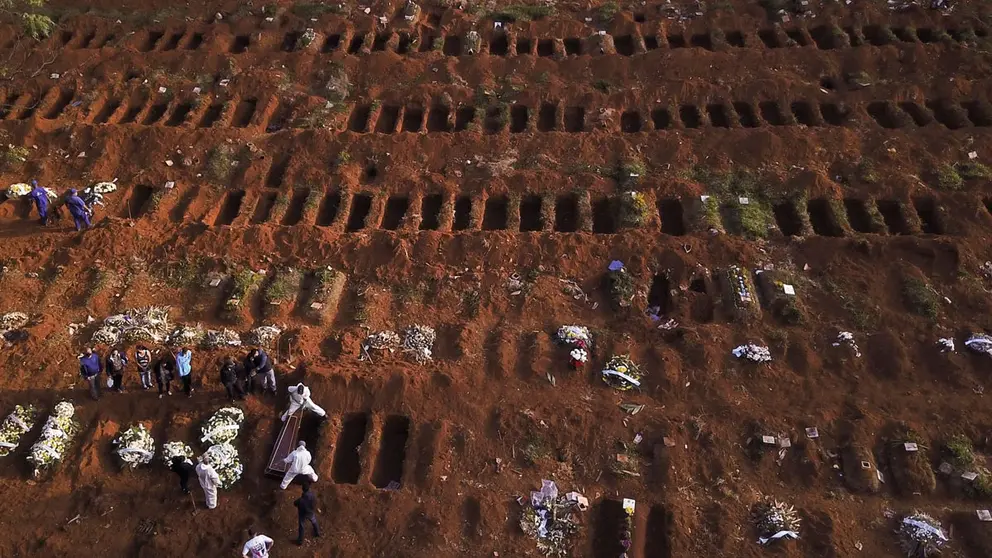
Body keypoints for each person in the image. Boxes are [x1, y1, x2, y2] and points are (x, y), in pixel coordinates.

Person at [294, 481, 320, 545]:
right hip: (311, 512)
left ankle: (300, 541)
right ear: (309, 488)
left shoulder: (301, 500)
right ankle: (317, 533)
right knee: (314, 521)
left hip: (303, 514)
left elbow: (295, 503)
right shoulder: (313, 495)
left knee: (301, 526)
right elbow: (315, 502)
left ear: (302, 489)